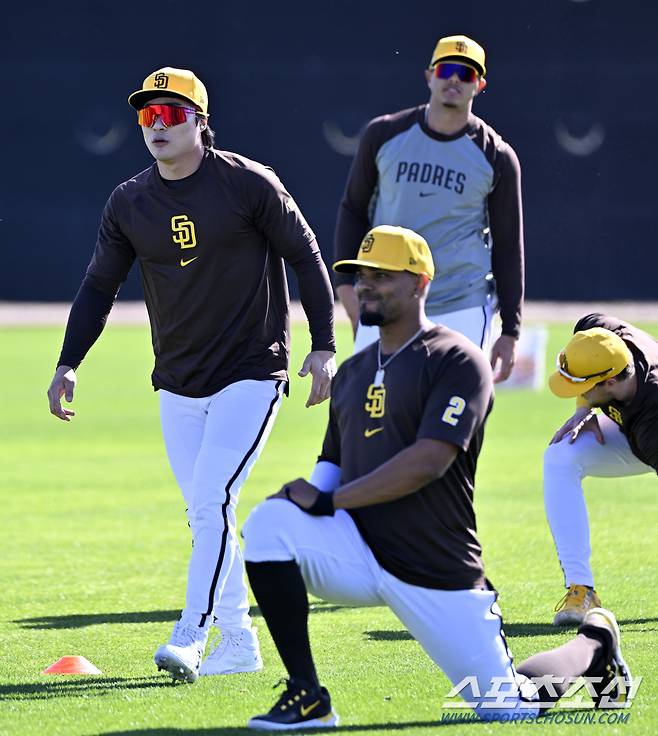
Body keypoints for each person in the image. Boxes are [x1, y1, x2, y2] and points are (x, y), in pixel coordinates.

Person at [240, 227, 631, 729]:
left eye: (382, 275)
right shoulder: (356, 370)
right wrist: (310, 496)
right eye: (361, 275)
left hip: (437, 569)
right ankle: (308, 696)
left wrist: (330, 501)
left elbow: (430, 461)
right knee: (269, 524)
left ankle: (594, 645)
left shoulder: (457, 360)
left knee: (507, 708)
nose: (366, 285)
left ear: (421, 282)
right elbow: (333, 462)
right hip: (358, 549)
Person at [46, 67, 337, 683]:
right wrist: (68, 363)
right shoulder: (128, 202)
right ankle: (240, 641)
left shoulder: (248, 184)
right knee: (208, 513)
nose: (157, 126)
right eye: (147, 116)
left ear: (200, 122)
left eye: (170, 114)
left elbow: (307, 255)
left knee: (213, 500)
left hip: (252, 371)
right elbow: (99, 285)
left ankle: (191, 634)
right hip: (177, 380)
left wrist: (323, 345)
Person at [334, 34, 523, 383]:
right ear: (429, 75)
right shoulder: (384, 134)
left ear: (479, 85)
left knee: (454, 415)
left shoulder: (496, 156)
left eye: (466, 74)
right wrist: (346, 291)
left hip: (461, 301)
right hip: (388, 297)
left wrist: (510, 329)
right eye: (447, 69)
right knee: (370, 415)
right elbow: (353, 210)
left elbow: (508, 244)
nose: (454, 79)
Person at [545, 314, 657, 626]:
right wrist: (585, 409)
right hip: (630, 423)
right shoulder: (602, 333)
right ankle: (581, 590)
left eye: (581, 386)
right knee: (560, 457)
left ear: (609, 382)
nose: (571, 389)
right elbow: (588, 323)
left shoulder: (653, 420)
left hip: (648, 433)